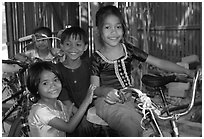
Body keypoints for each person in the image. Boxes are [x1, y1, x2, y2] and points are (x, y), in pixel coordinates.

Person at [90, 5, 195, 137]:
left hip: (130, 97)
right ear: (98, 30)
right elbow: (94, 88)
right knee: (129, 125)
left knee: (154, 121)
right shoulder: (97, 58)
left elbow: (159, 62)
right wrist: (106, 92)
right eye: (107, 27)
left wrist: (187, 72)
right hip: (106, 102)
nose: (113, 32)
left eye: (118, 27)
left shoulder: (128, 50)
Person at [27, 61, 93, 137]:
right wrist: (86, 102)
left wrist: (68, 115)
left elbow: (63, 124)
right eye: (45, 83)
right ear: (35, 88)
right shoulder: (40, 111)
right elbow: (69, 127)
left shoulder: (59, 104)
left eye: (55, 80)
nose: (53, 85)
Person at [56, 27, 95, 136]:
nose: (73, 48)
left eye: (78, 44)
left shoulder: (90, 66)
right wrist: (81, 117)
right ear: (61, 46)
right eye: (68, 44)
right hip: (70, 115)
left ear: (85, 47)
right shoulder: (57, 70)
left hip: (92, 113)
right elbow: (64, 98)